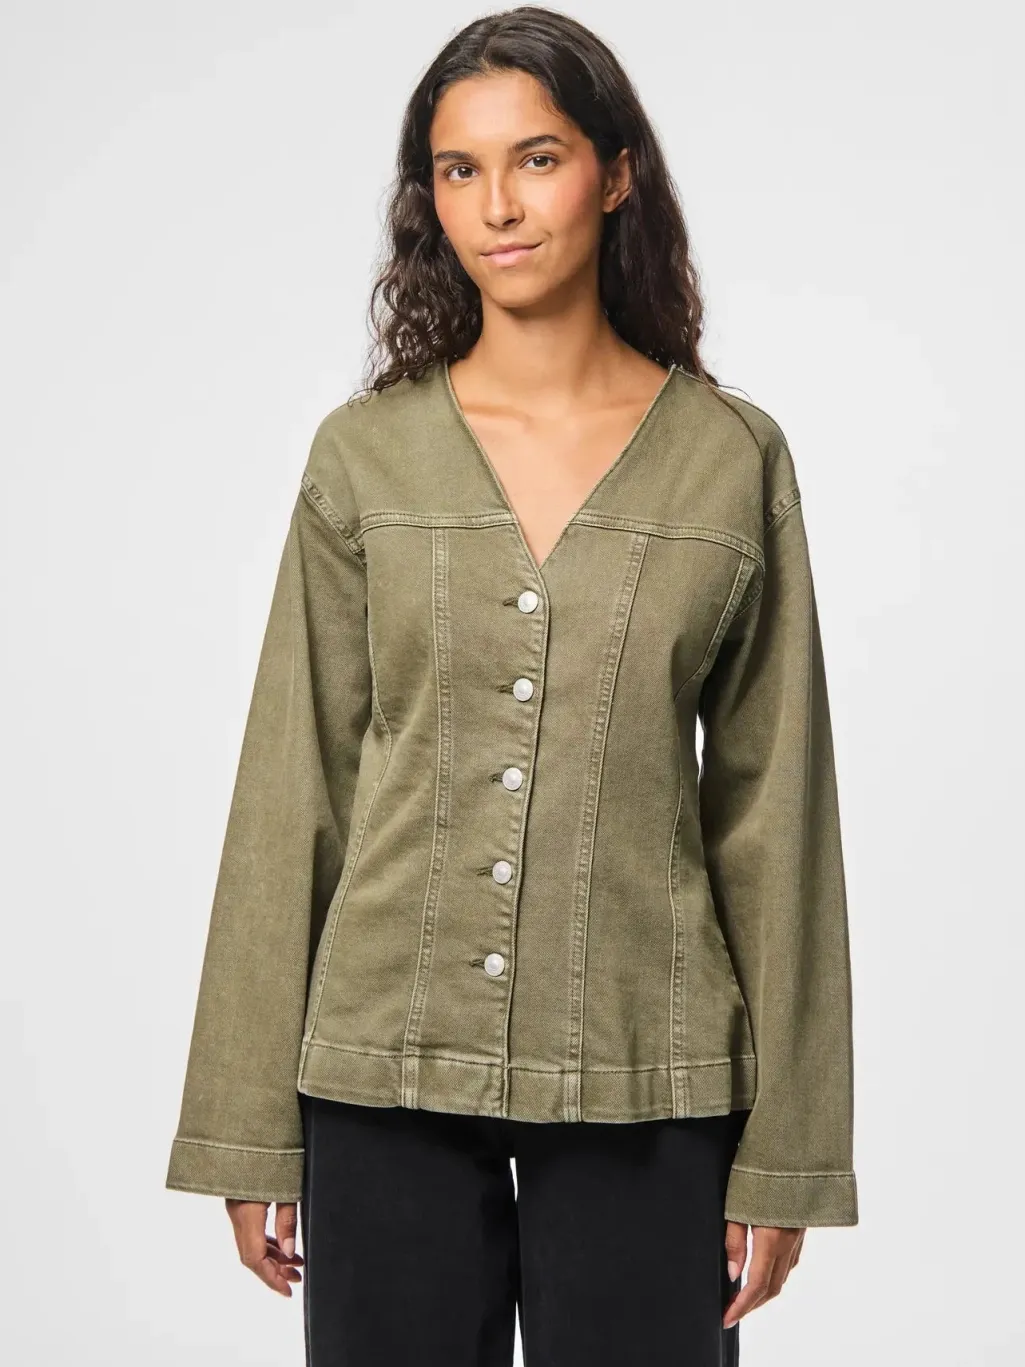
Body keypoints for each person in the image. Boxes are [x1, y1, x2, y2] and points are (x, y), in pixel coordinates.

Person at [165, 7, 859, 1364]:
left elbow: (777, 817)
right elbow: (294, 786)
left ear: (616, 172)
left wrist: (788, 1149)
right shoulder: (365, 456)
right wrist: (246, 1122)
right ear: (428, 198)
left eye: (536, 158)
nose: (498, 205)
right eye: (459, 169)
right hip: (382, 1065)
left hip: (651, 1072)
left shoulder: (731, 460)